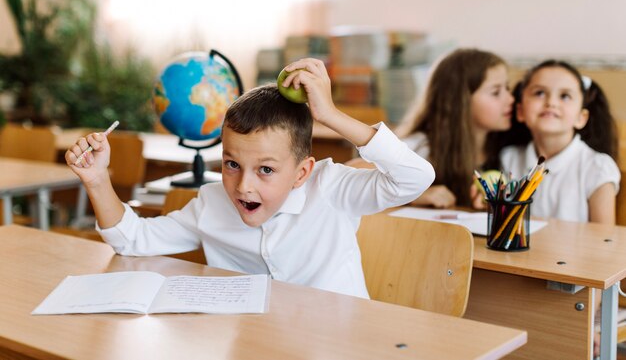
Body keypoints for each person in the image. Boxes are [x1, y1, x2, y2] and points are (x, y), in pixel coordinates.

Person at [65, 57, 435, 299]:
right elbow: (133, 240)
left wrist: (331, 116)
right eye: (231, 164)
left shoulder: (331, 188)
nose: (243, 186)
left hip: (339, 345)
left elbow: (415, 177)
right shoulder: (211, 203)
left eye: (267, 170)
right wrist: (97, 179)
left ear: (302, 172)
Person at [500, 59, 620, 224]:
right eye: (539, 93)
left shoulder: (597, 168)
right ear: (520, 111)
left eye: (565, 96)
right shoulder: (509, 159)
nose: (551, 102)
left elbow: (605, 240)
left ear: (581, 117)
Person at [393, 48, 514, 208]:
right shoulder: (420, 146)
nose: (511, 99)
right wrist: (413, 196)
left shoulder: (508, 150)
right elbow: (359, 172)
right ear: (460, 101)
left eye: (508, 88)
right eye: (496, 92)